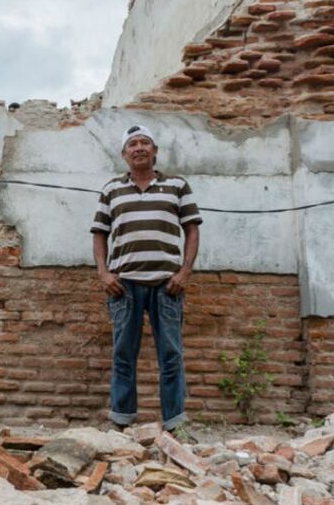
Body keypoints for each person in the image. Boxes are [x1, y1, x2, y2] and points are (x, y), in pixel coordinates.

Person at [90, 125, 201, 438]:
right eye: (132, 144)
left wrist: (185, 272)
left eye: (144, 143)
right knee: (124, 354)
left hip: (168, 285)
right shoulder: (112, 190)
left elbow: (192, 229)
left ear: (155, 151)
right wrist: (103, 273)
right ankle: (121, 421)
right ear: (124, 155)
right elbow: (99, 233)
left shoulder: (177, 186)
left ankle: (175, 425)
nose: (138, 148)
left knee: (171, 356)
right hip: (123, 286)